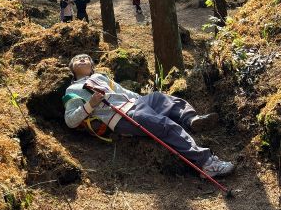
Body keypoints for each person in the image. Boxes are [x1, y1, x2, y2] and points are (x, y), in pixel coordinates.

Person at [63, 54, 234, 178]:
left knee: (162, 98)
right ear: (72, 68)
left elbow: (123, 91)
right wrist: (90, 104)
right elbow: (70, 120)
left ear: (92, 65)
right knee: (164, 125)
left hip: (136, 103)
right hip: (121, 115)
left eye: (86, 58)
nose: (83, 59)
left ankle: (191, 120)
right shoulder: (72, 90)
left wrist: (144, 99)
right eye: (78, 59)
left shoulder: (100, 76)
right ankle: (206, 163)